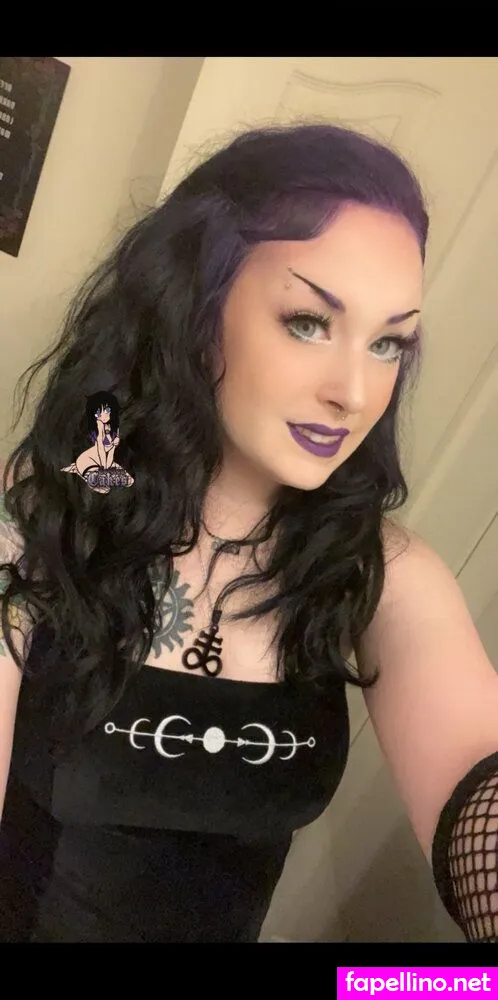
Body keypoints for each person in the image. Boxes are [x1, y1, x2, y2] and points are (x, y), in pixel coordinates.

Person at [0, 123, 497, 943]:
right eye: (308, 322)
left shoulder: (382, 571)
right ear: (196, 306)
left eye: (388, 343)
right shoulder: (48, 511)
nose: (354, 392)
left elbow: (478, 778)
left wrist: (406, 988)